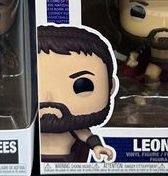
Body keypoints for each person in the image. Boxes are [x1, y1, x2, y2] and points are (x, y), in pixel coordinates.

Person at [37, 25, 116, 163]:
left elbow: (87, 136)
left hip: (69, 164)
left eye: (82, 85)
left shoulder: (73, 125)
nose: (49, 98)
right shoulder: (28, 129)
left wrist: (97, 146)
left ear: (111, 87)